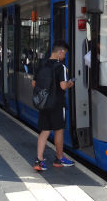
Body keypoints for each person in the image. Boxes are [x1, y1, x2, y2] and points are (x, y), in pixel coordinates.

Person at [31, 40, 75, 171]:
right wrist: (70, 84)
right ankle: (59, 159)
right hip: (57, 104)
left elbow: (34, 84)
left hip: (43, 103)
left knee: (44, 131)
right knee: (59, 130)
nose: (64, 56)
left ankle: (39, 161)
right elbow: (63, 86)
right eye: (65, 53)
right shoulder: (60, 67)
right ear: (61, 51)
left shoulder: (41, 63)